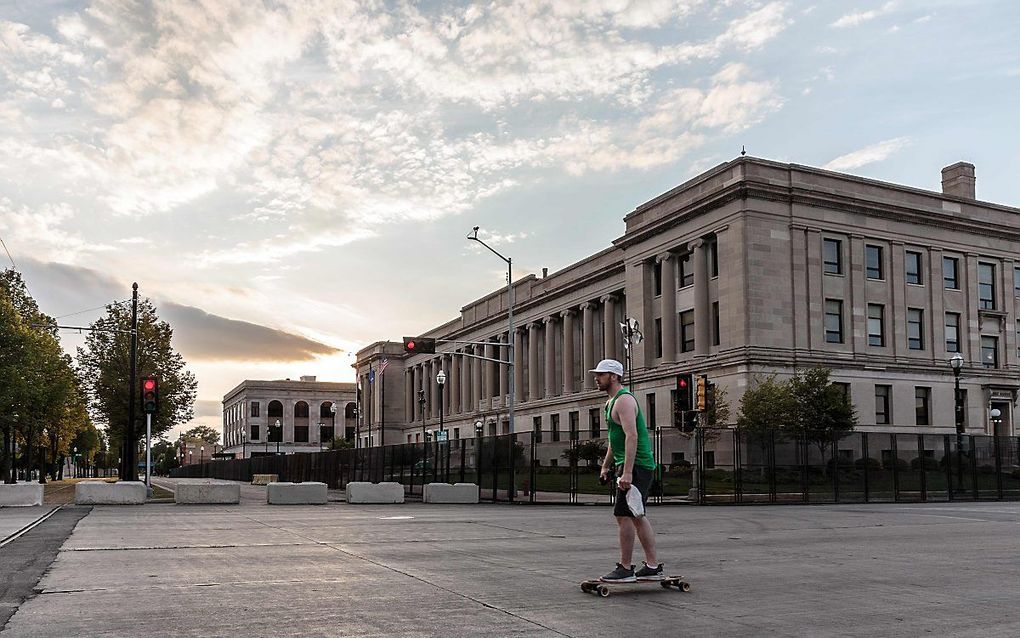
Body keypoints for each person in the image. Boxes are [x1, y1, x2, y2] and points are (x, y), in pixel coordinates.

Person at [593, 358, 663, 582]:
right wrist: (606, 466)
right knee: (636, 515)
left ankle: (625, 568)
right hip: (630, 464)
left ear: (614, 376)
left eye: (601, 375)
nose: (597, 378)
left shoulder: (624, 400)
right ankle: (652, 566)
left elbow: (632, 436)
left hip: (638, 465)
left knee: (624, 515)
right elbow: (616, 439)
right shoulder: (609, 403)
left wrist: (628, 472)